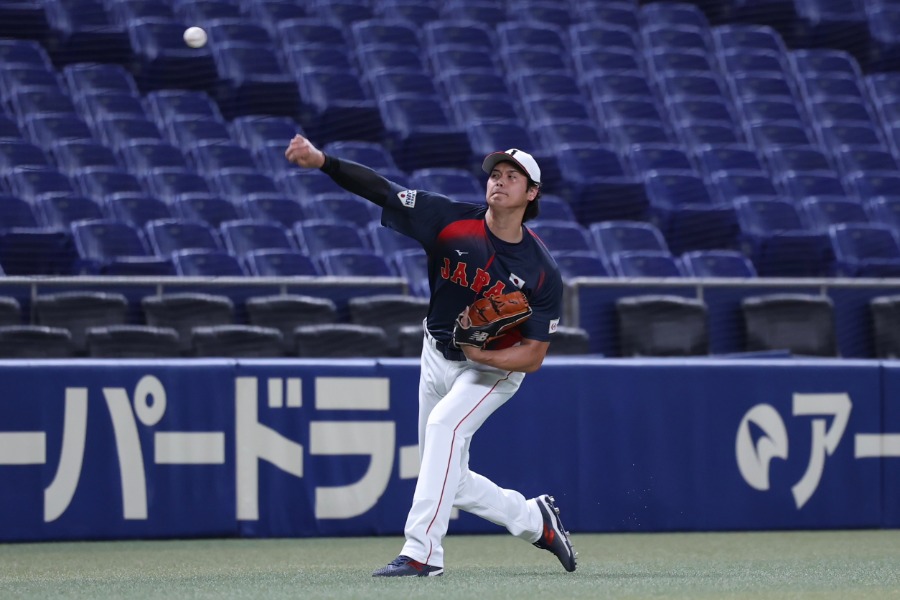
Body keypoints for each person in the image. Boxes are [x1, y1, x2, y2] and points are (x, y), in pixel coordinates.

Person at [285, 135, 576, 577]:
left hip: (491, 369)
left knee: (444, 426)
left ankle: (422, 553)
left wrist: (485, 357)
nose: (499, 182)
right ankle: (535, 519)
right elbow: (381, 189)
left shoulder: (540, 270)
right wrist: (322, 161)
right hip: (435, 351)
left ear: (532, 193)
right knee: (445, 476)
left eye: (512, 177)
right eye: (495, 175)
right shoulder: (448, 220)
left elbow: (533, 355)